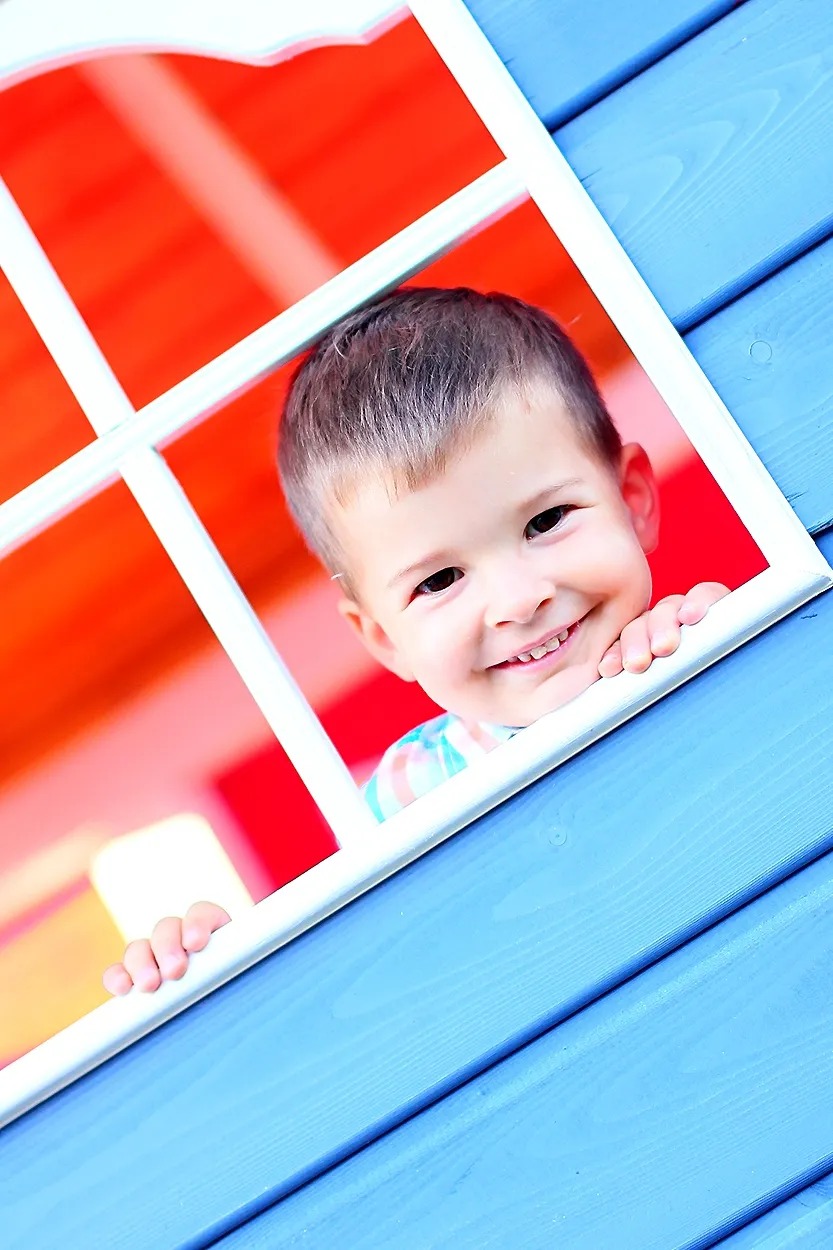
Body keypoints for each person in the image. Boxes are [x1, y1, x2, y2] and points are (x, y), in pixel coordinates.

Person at [103, 287, 728, 995]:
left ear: (632, 501)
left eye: (546, 520)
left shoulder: (695, 639)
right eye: (438, 581)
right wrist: (229, 959)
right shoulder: (403, 799)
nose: (517, 600)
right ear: (384, 640)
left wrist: (715, 650)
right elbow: (369, 979)